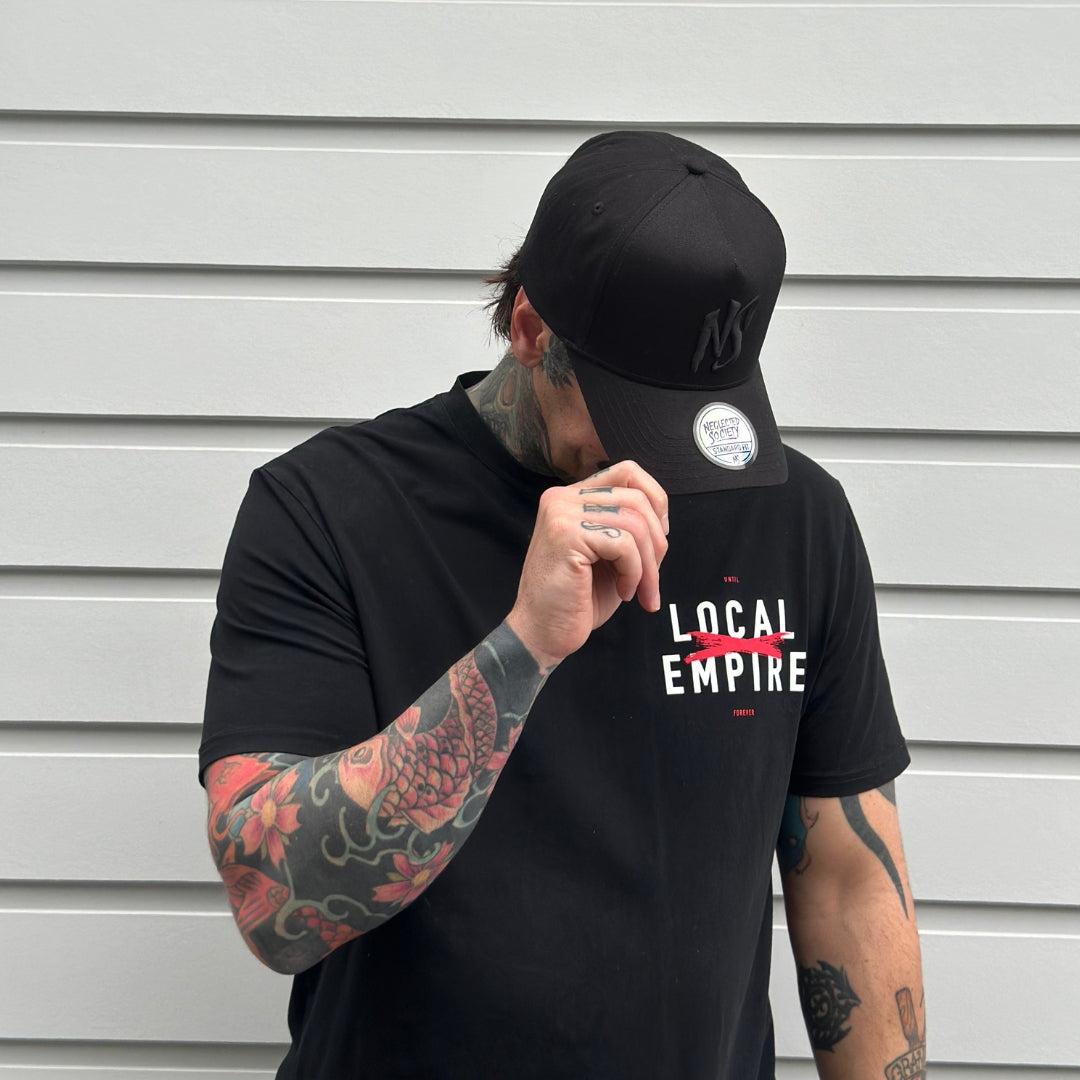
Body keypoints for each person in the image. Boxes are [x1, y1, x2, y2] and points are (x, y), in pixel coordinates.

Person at [200, 130, 926, 1079]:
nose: (669, 458)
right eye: (636, 412)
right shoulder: (329, 510)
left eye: (697, 413)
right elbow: (273, 902)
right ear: (532, 329)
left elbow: (847, 880)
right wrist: (523, 648)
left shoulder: (796, 518)